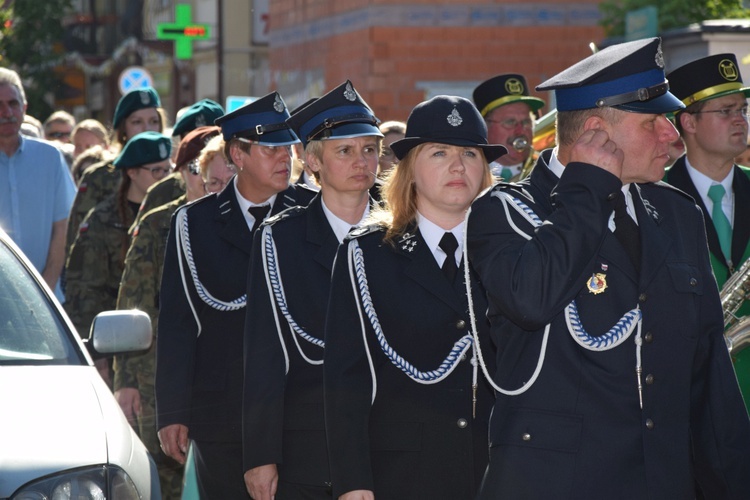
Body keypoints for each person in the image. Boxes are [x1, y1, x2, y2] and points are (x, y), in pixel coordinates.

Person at [467, 37, 750, 498]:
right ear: (596, 131)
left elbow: (709, 379)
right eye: (654, 121)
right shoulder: (505, 212)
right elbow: (530, 300)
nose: (672, 135)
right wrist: (589, 187)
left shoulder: (676, 213)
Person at [324, 95, 502, 500]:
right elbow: (344, 380)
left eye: (470, 154)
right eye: (440, 153)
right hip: (404, 475)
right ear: (410, 170)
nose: (458, 166)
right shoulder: (368, 254)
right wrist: (353, 482)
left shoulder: (510, 247)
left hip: (497, 470)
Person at [155, 92, 316, 499]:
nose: (286, 157)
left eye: (289, 146)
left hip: (299, 413)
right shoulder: (195, 222)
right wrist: (172, 412)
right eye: (271, 148)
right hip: (221, 413)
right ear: (237, 155)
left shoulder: (313, 212)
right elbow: (177, 322)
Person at [241, 80, 382, 500]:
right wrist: (260, 453)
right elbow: (263, 353)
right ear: (312, 161)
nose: (362, 161)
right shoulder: (282, 239)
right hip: (309, 445)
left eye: (370, 149)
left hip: (387, 442)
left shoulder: (399, 233)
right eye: (345, 150)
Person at [115, 126, 223, 500]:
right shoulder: (163, 222)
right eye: (196, 169)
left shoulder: (241, 222)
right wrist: (126, 378)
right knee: (166, 474)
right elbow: (134, 304)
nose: (207, 180)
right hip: (157, 372)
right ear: (182, 173)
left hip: (217, 382)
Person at [664, 53, 750, 413]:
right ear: (689, 122)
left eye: (742, 109)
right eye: (726, 111)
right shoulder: (653, 198)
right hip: (690, 397)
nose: (740, 120)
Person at [64, 132, 172, 385]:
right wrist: (97, 353)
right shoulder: (103, 219)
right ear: (132, 173)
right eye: (156, 171)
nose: (165, 177)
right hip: (115, 337)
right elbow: (85, 289)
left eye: (168, 169)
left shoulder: (175, 213)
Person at [0, 68, 76, 302]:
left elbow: (62, 228)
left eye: (13, 103)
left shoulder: (50, 157)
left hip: (47, 299)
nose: (7, 112)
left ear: (25, 107)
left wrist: (44, 292)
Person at [66, 87, 166, 254]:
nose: (147, 128)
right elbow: (76, 242)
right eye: (137, 122)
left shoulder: (172, 174)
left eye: (153, 121)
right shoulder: (100, 176)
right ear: (123, 128)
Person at [472, 73, 545, 180]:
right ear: (484, 127)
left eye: (526, 122)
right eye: (510, 122)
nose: (520, 131)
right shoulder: (470, 173)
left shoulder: (547, 171)